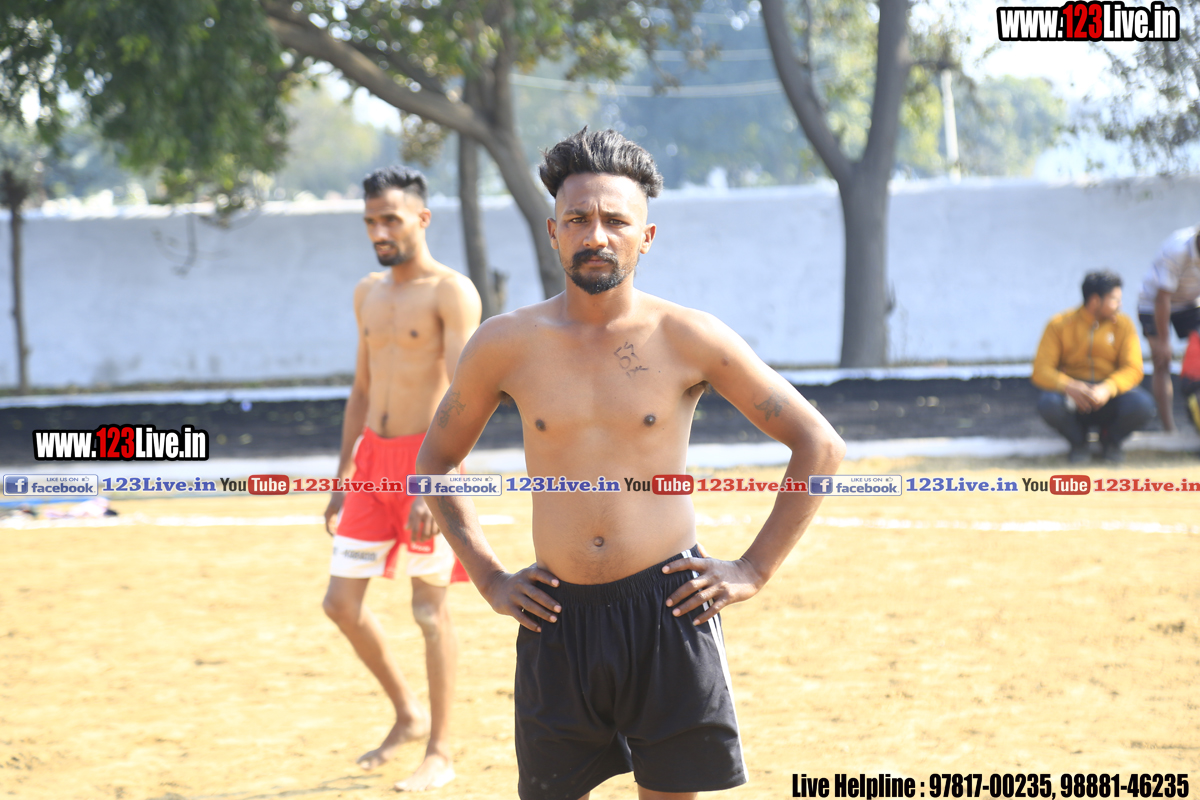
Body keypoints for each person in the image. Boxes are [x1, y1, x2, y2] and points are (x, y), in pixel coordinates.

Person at [415, 128, 846, 800]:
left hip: (669, 608)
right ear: (554, 232)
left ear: (646, 237)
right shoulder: (505, 344)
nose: (597, 236)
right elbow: (435, 462)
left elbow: (819, 444)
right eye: (578, 220)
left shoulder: (686, 335)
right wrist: (490, 578)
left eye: (616, 221)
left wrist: (753, 569)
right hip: (555, 616)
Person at [322, 166, 481, 790]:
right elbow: (361, 389)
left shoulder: (452, 292)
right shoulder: (367, 293)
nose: (379, 231)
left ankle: (440, 750)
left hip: (428, 461)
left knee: (428, 611)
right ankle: (408, 714)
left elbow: (467, 396)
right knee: (340, 603)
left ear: (422, 218)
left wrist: (437, 481)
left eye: (390, 218)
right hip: (371, 465)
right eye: (370, 221)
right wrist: (343, 473)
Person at [1032, 270, 1154, 463]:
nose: (1120, 305)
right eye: (1114, 300)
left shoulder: (1123, 325)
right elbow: (1041, 370)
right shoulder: (1059, 324)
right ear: (1095, 300)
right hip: (1074, 399)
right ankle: (1078, 442)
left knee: (1143, 405)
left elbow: (1133, 368)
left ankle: (1110, 441)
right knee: (1049, 403)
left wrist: (1108, 388)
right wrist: (1069, 386)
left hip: (1109, 397)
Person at [1136, 225, 1200, 432]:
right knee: (1162, 362)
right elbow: (1162, 298)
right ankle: (1169, 429)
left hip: (1189, 302)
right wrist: (1164, 342)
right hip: (1153, 303)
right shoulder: (1177, 250)